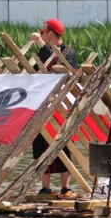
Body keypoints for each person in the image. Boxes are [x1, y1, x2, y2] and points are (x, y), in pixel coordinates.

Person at [29, 18, 77, 198]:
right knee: (40, 145)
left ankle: (66, 186)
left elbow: (54, 62)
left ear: (50, 34)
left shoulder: (69, 51)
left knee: (63, 145)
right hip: (43, 105)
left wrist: (40, 43)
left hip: (61, 106)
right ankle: (45, 187)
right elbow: (34, 69)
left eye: (42, 32)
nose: (41, 35)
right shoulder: (44, 51)